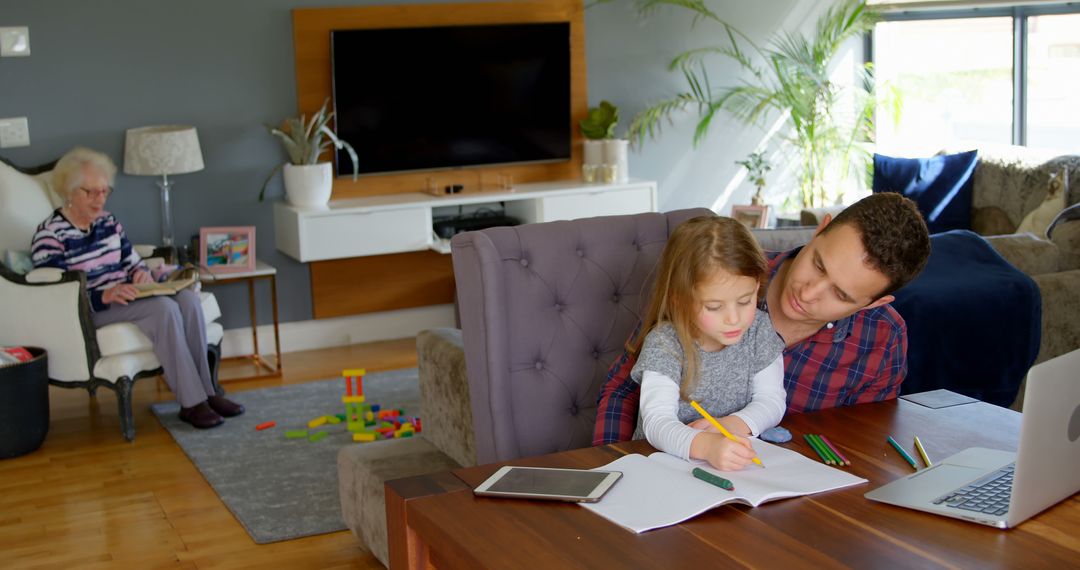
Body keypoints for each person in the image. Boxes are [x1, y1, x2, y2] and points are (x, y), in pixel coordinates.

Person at [594, 192, 931, 446]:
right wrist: (611, 469)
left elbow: (858, 445)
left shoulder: (883, 339)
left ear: (874, 303)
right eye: (818, 264)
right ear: (821, 230)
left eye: (840, 295)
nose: (809, 292)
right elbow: (622, 393)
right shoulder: (721, 277)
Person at [30, 147, 244, 429]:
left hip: (129, 297)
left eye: (104, 191)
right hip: (92, 308)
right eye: (90, 192)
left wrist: (142, 275)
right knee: (163, 308)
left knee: (188, 301)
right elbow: (55, 290)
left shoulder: (108, 223)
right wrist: (102, 295)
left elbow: (132, 261)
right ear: (69, 192)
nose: (99, 199)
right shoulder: (50, 234)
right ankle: (192, 404)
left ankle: (208, 392)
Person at [632, 216, 786, 471]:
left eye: (745, 300)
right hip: (661, 468)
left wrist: (732, 425)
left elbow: (772, 400)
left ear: (757, 286)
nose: (734, 318)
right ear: (680, 300)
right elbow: (656, 422)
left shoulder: (759, 329)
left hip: (731, 467)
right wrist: (707, 446)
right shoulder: (665, 343)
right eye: (714, 307)